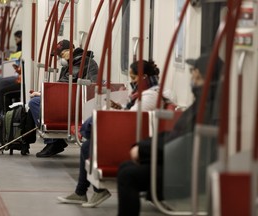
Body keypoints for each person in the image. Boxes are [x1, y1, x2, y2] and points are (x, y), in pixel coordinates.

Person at [116, 53, 223, 216]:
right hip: (181, 161)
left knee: (128, 175)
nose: (192, 81)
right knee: (126, 167)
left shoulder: (209, 107)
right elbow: (176, 135)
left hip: (189, 173)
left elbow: (185, 141)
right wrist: (144, 146)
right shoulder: (203, 102)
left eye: (196, 76)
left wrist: (144, 151)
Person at [56, 60, 173, 208]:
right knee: (88, 145)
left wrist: (117, 112)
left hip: (137, 140)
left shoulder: (150, 96)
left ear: (143, 77)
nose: (132, 81)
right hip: (135, 135)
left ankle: (86, 192)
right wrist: (119, 108)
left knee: (88, 145)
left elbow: (131, 120)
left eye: (133, 77)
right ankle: (84, 192)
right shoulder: (144, 94)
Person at [29, 39, 98, 158]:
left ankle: (54, 143)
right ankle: (54, 142)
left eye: (61, 55)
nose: (60, 58)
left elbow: (65, 85)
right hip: (72, 98)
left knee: (35, 103)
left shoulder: (82, 62)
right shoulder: (72, 63)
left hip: (79, 102)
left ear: (71, 50)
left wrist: (43, 94)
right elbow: (62, 85)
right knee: (38, 101)